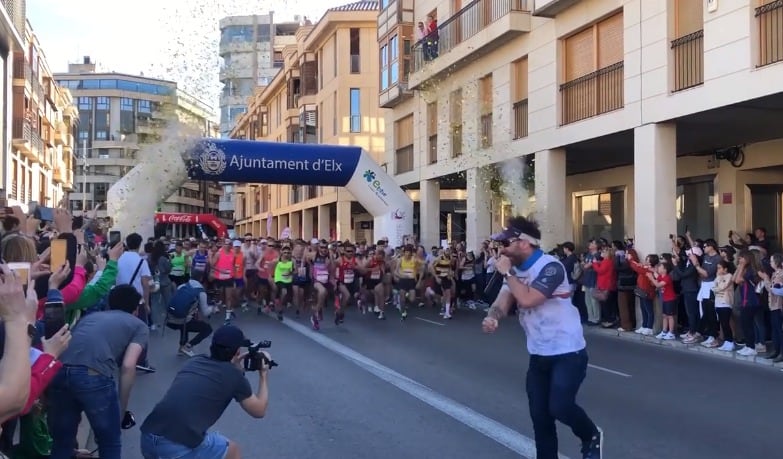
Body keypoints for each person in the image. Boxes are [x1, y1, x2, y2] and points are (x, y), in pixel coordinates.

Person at [481, 216, 603, 459]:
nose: (502, 249)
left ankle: (590, 434)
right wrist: (493, 316)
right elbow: (504, 301)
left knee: (559, 407)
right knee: (540, 417)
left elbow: (527, 299)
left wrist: (506, 273)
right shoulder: (515, 271)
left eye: (506, 243)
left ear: (524, 243)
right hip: (538, 354)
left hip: (568, 352)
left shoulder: (551, 266)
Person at [46, 284, 149, 459]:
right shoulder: (139, 326)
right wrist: (121, 410)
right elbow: (128, 366)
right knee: (109, 440)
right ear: (136, 310)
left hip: (60, 372)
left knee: (62, 441)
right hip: (93, 375)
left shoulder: (91, 317)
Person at [139, 325, 271, 459]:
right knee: (232, 450)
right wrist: (263, 374)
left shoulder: (195, 361)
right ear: (237, 351)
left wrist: (235, 366)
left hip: (148, 437)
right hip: (177, 448)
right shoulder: (233, 376)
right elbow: (259, 411)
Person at [166, 279, 218, 357]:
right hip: (182, 320)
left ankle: (181, 347)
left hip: (169, 319)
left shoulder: (182, 286)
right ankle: (188, 346)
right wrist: (213, 309)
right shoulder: (201, 292)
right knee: (207, 329)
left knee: (186, 323)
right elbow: (205, 312)